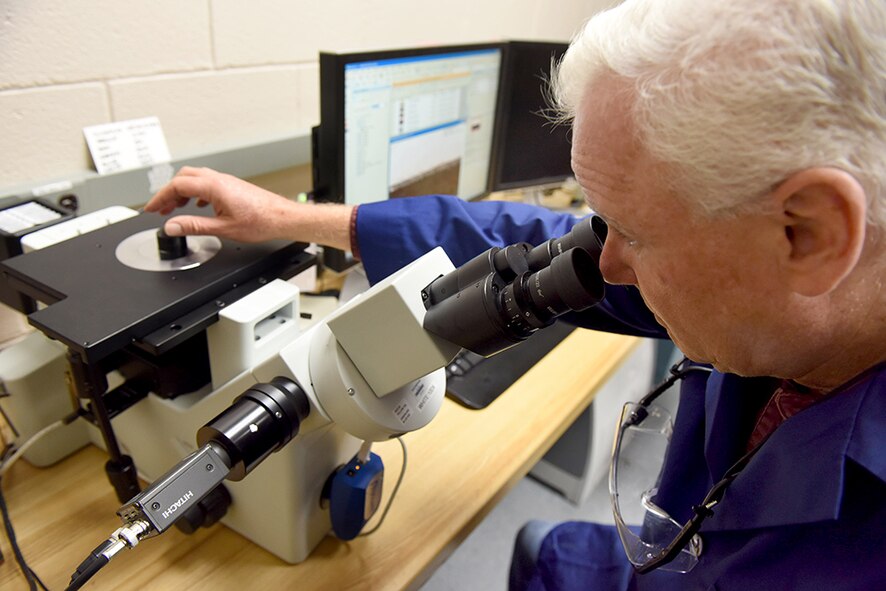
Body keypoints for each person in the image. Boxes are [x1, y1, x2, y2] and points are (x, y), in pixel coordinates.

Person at [145, 0, 886, 588]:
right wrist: (300, 219)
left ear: (809, 233)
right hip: (672, 554)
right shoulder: (787, 284)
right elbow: (523, 241)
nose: (608, 261)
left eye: (636, 231)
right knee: (549, 545)